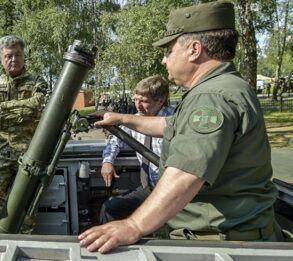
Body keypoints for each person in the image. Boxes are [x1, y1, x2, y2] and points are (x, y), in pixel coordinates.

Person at [80, 1, 281, 253]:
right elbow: (169, 125)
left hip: (217, 242)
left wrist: (133, 225)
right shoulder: (226, 86)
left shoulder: (210, 97)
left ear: (194, 49)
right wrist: (120, 118)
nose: (164, 61)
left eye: (168, 51)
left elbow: (186, 174)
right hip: (231, 235)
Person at [0, 35, 48, 234]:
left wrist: (3, 107)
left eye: (17, 54)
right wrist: (22, 110)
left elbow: (37, 107)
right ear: (1, 58)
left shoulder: (38, 82)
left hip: (30, 154)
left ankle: (25, 241)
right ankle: (3, 240)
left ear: (24, 56)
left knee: (28, 200)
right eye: (8, 56)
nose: (13, 59)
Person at [99, 75, 175, 223]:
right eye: (135, 99)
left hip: (174, 190)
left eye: (144, 101)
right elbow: (115, 140)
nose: (137, 105)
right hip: (151, 189)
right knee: (109, 209)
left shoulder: (177, 119)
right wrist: (107, 162)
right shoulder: (134, 120)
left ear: (161, 100)